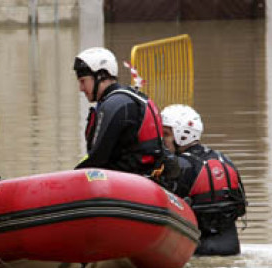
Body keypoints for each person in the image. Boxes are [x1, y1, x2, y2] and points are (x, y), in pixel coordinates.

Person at [72, 47, 179, 185]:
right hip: (146, 180)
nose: (81, 88)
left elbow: (98, 157)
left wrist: (72, 178)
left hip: (130, 184)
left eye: (83, 81)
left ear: (101, 76)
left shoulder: (115, 105)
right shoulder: (129, 99)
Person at [161, 104, 248, 256]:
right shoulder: (224, 160)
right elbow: (240, 207)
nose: (162, 141)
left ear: (181, 135)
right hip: (232, 249)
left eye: (166, 134)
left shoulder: (179, 166)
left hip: (195, 252)